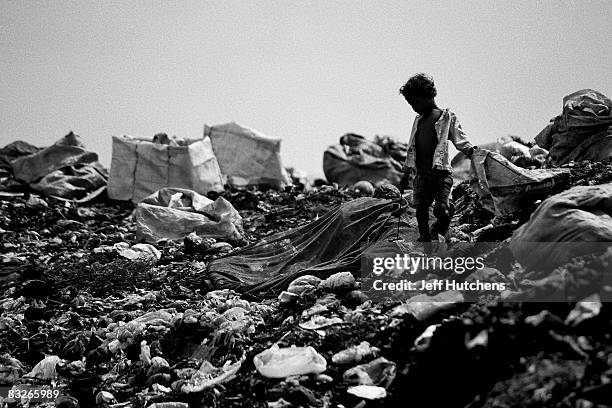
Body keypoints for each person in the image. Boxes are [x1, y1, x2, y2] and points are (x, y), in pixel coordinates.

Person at [398, 73, 477, 243]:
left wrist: (471, 151)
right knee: (421, 209)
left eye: (416, 102)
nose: (414, 107)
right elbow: (412, 148)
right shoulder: (418, 121)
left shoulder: (446, 117)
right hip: (422, 175)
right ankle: (425, 238)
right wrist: (406, 172)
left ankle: (444, 219)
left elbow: (460, 138)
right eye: (411, 104)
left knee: (440, 208)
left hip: (441, 173)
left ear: (429, 95)